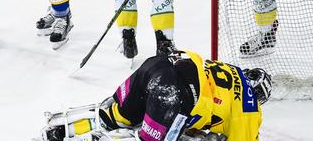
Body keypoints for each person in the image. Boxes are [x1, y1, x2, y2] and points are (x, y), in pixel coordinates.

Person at [37, 50, 271, 141]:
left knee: (112, 115)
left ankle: (58, 129)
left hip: (156, 66)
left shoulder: (228, 69)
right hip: (171, 94)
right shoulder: (250, 106)